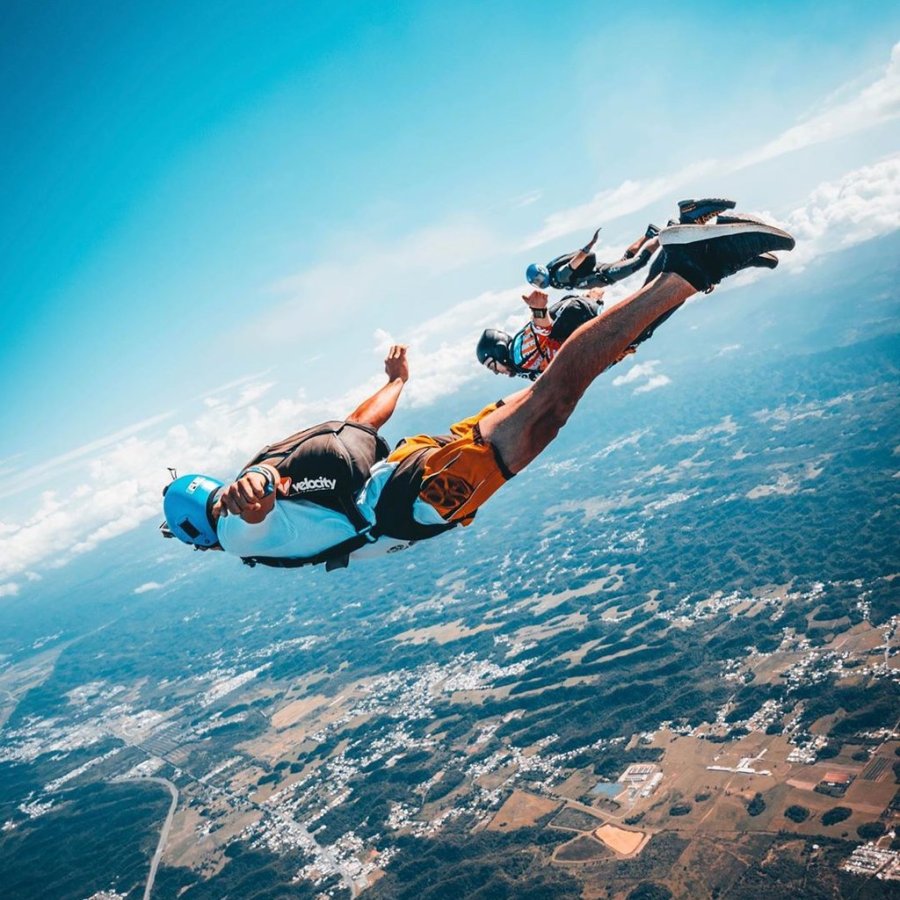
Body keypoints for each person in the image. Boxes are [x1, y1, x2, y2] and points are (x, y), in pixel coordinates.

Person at [162, 215, 795, 572]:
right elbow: (356, 422)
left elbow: (249, 507)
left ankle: (692, 268)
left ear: (197, 531)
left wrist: (252, 493)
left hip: (403, 497)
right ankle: (681, 269)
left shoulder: (236, 535)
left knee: (552, 402)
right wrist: (397, 383)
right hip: (395, 460)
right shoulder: (249, 496)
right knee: (554, 391)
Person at [525, 197, 735, 292]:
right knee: (628, 258)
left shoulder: (558, 278)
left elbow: (574, 263)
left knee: (639, 263)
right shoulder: (555, 278)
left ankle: (669, 231)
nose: (539, 284)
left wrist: (590, 245)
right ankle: (650, 234)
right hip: (602, 272)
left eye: (536, 281)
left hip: (604, 275)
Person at [477, 289, 606, 380]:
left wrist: (538, 309)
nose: (496, 372)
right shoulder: (521, 367)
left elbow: (541, 329)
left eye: (492, 366)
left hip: (581, 321)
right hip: (580, 316)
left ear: (498, 351)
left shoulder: (518, 354)